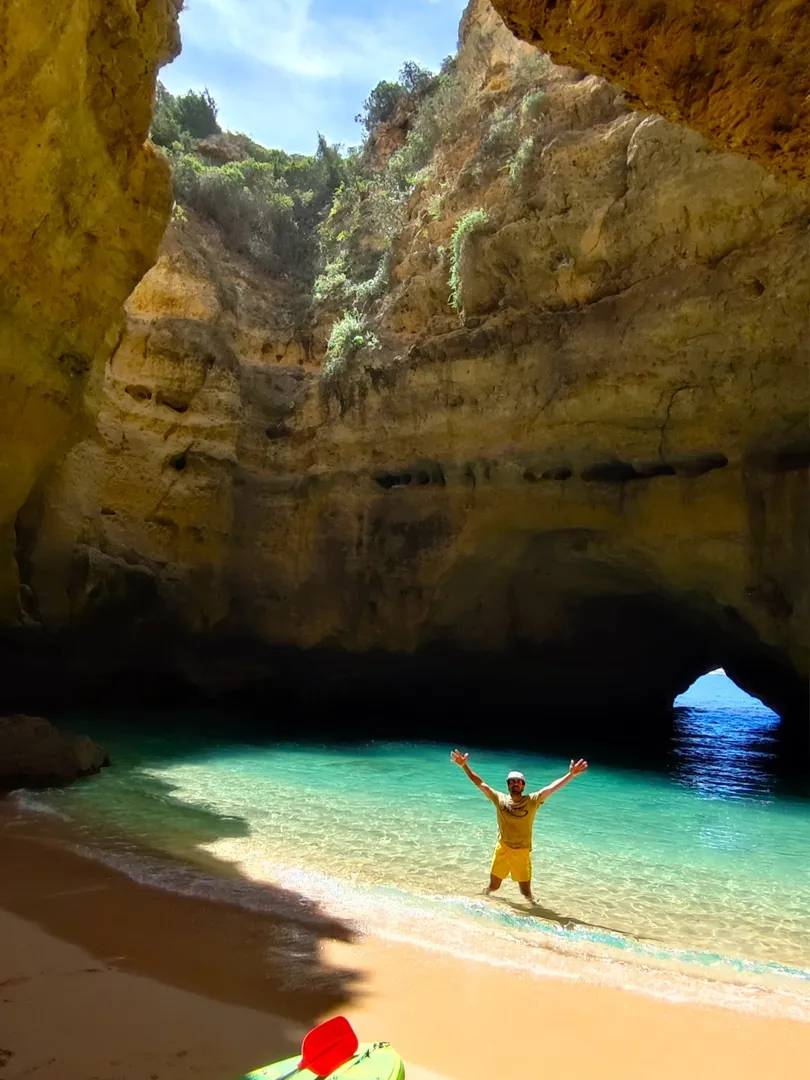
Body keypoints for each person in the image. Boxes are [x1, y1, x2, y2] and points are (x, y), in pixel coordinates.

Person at [450, 749, 588, 902]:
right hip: (503, 849)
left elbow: (551, 788)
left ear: (523, 786)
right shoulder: (499, 799)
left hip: (522, 852)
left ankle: (534, 907)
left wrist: (571, 775)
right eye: (512, 781)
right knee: (494, 886)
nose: (515, 783)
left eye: (518, 781)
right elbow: (481, 784)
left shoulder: (532, 800)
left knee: (525, 892)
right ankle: (483, 898)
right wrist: (464, 766)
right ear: (508, 786)